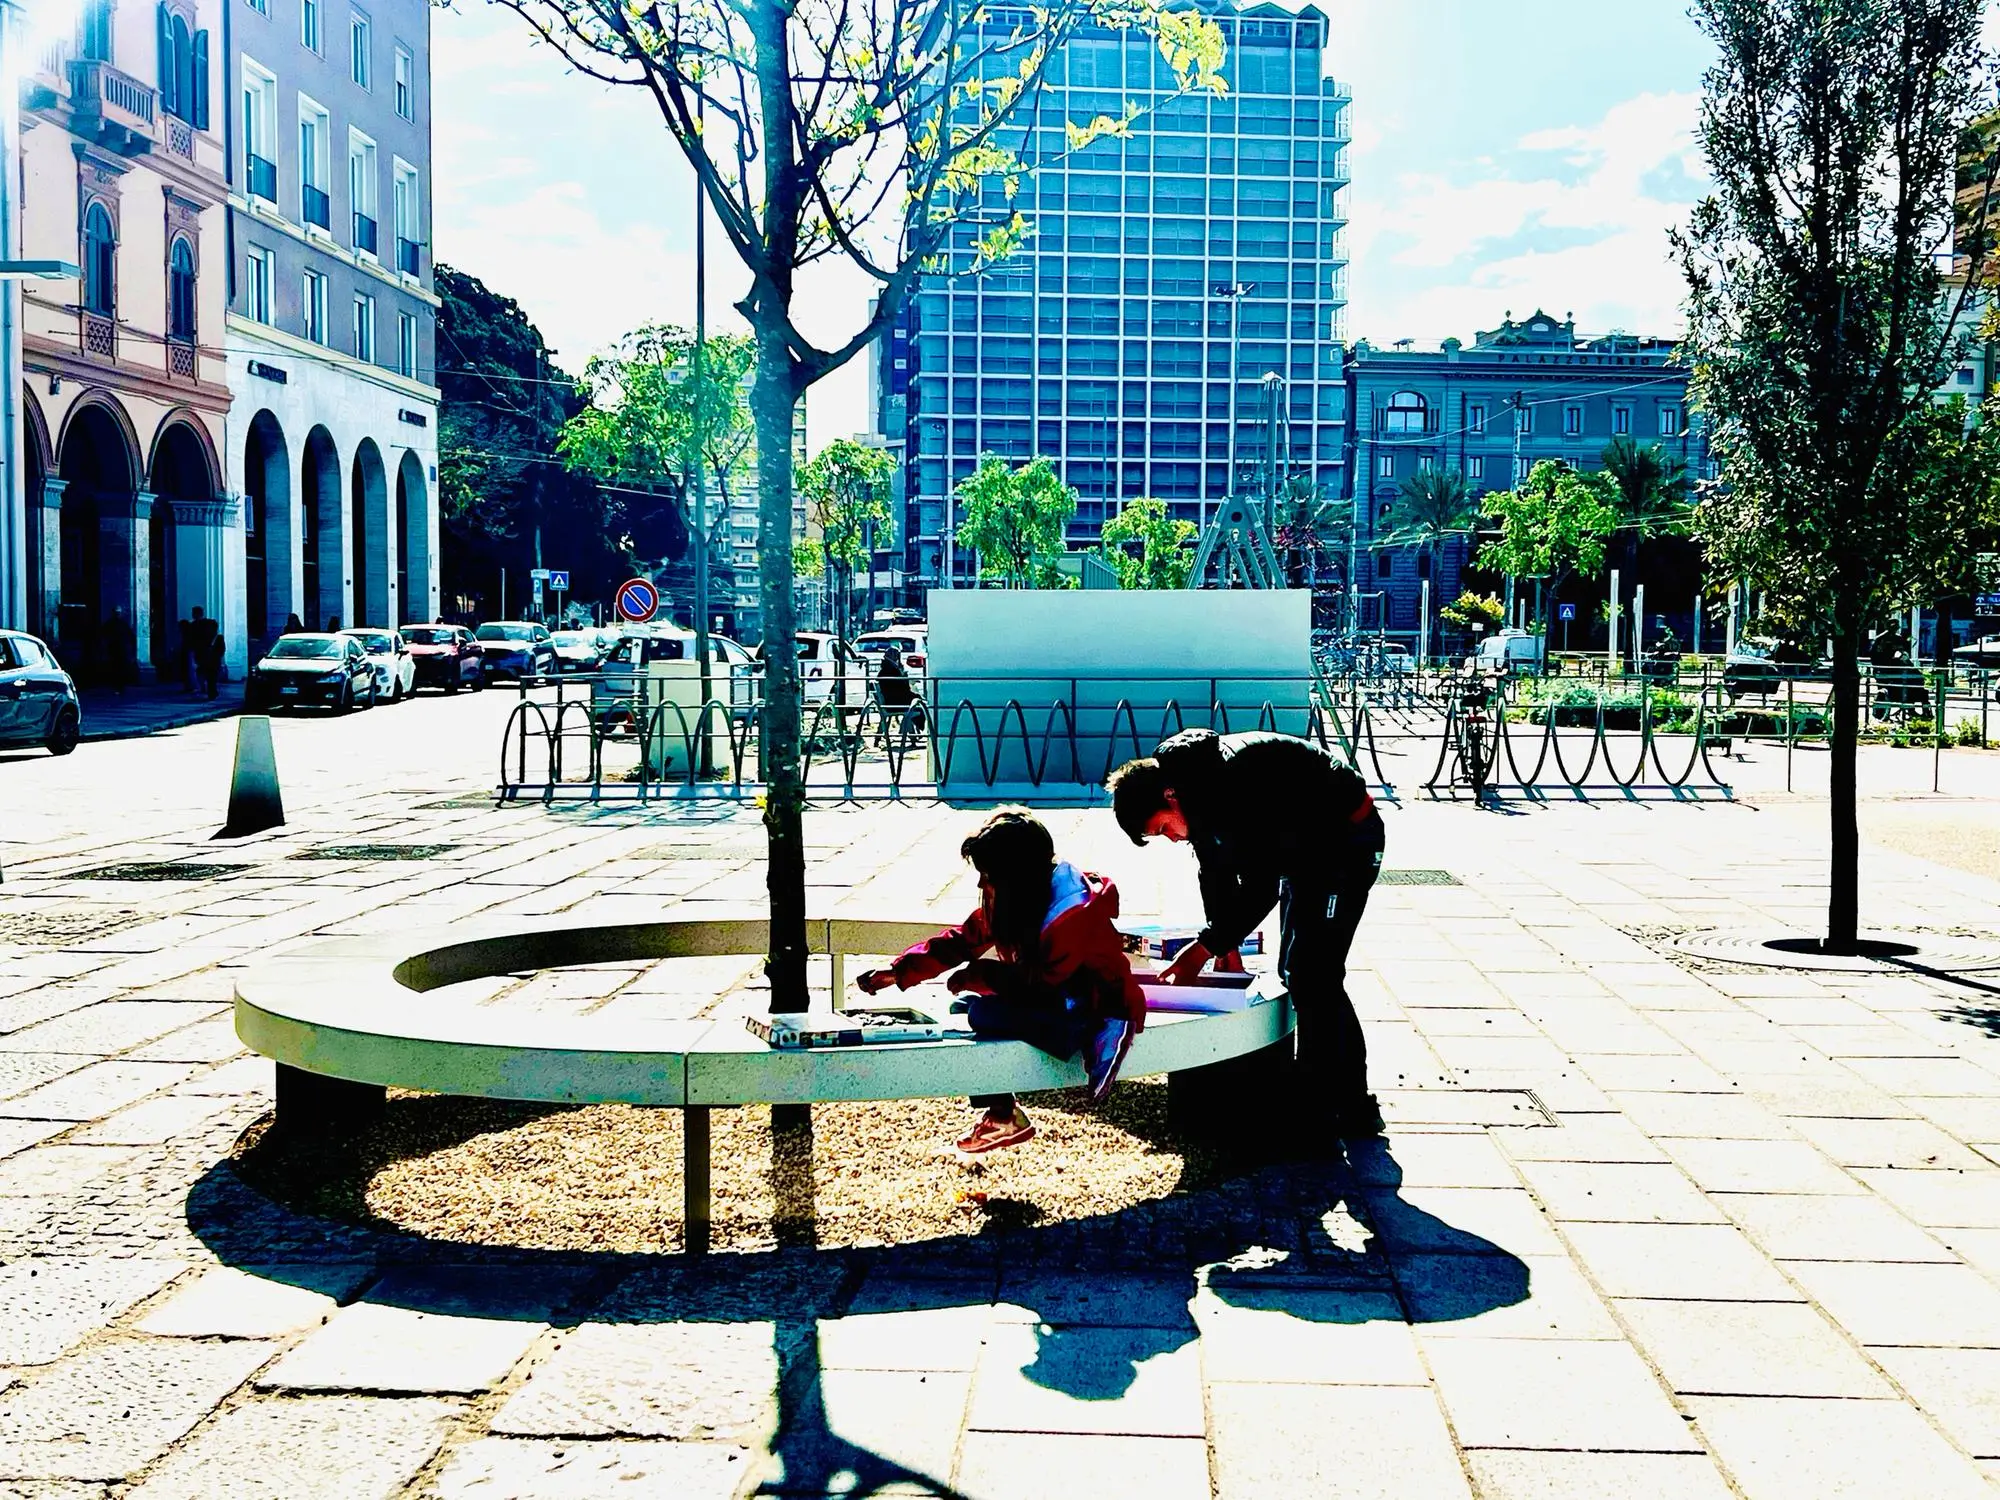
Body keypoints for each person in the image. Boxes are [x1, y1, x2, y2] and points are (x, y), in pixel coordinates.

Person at [1109, 728, 1386, 1139]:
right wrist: (1226, 944)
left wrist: (1205, 947)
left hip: (1345, 841)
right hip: (1305, 849)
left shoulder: (1228, 786)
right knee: (1296, 971)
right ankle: (1316, 1096)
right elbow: (1215, 874)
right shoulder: (1195, 793)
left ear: (1170, 796)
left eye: (1163, 828)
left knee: (1315, 975)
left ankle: (1350, 1107)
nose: (1171, 837)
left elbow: (1261, 886)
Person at [856, 810, 1145, 1155]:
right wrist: (899, 971)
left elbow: (1044, 983)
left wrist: (980, 976)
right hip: (1056, 1002)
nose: (981, 885)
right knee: (960, 1009)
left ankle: (1004, 1113)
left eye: (987, 876)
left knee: (981, 1013)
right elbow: (965, 938)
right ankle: (1003, 1114)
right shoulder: (1017, 898)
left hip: (1090, 1013)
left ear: (1014, 877)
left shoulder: (1070, 912)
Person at [875, 646, 914, 748]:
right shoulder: (892, 670)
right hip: (894, 703)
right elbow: (902, 688)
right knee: (916, 705)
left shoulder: (885, 668)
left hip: (889, 701)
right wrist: (903, 676)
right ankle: (909, 733)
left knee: (914, 701)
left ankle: (907, 731)